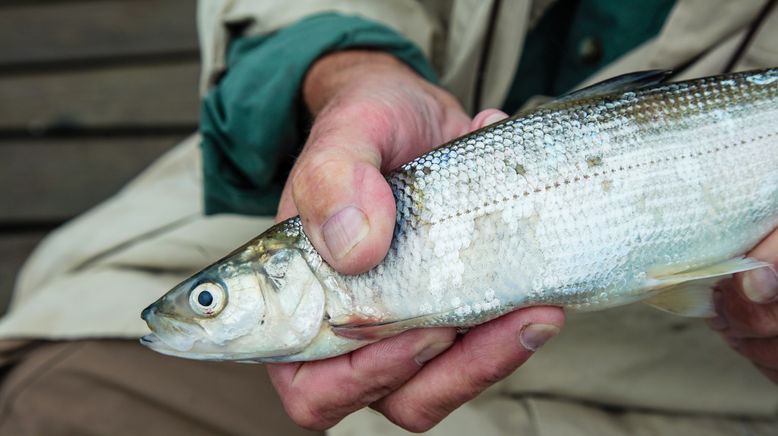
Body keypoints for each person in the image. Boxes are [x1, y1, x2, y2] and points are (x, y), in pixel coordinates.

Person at [0, 1, 777, 435]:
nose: (201, 309)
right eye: (209, 300)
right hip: (241, 201)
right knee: (47, 404)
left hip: (681, 399)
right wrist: (346, 68)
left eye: (209, 301)